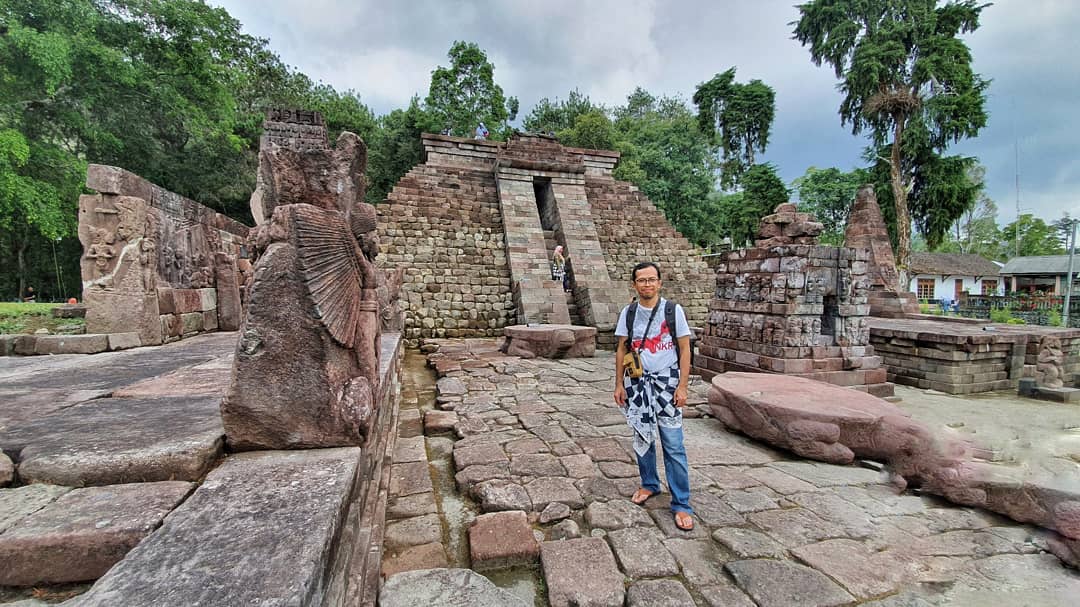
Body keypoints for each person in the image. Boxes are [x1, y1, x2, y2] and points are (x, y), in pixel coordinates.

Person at [614, 261, 695, 530]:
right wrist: (619, 384)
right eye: (641, 280)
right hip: (637, 384)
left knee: (673, 443)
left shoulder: (673, 311)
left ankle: (681, 503)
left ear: (660, 283)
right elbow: (621, 349)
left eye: (651, 280)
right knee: (642, 437)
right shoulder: (629, 313)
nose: (647, 284)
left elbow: (685, 350)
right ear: (634, 284)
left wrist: (682, 386)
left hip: (667, 384)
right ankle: (649, 483)